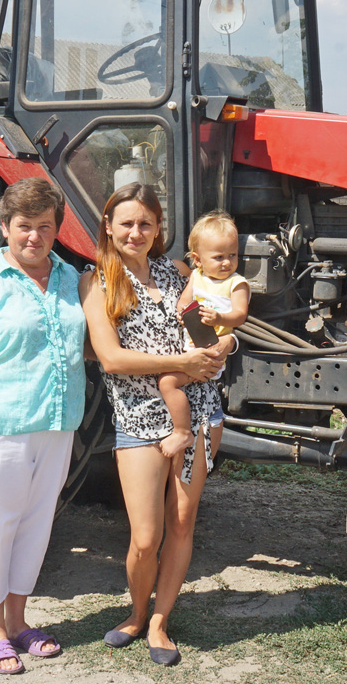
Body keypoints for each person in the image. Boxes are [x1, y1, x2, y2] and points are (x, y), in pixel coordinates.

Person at [79, 182, 233, 667]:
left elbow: (222, 321)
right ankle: (137, 611)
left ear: (158, 228)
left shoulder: (179, 271)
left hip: (200, 410)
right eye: (126, 222)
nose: (136, 232)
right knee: (145, 537)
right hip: (138, 417)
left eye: (145, 223)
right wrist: (181, 361)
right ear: (108, 225)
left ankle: (161, 621)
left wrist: (223, 347)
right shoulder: (97, 280)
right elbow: (110, 358)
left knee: (183, 521)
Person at [0, 177, 86, 675]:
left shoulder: (72, 279)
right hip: (1, 428)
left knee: (34, 527)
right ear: (5, 227)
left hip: (57, 425)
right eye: (24, 226)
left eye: (44, 227)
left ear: (56, 230)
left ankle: (19, 619)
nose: (34, 236)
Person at [156, 211, 250, 458]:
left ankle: (182, 431)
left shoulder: (236, 283)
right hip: (192, 345)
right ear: (197, 260)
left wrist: (220, 318)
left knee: (167, 382)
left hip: (212, 349)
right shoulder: (196, 277)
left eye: (232, 255)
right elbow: (185, 301)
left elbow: (240, 315)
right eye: (218, 257)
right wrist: (181, 312)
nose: (227, 263)